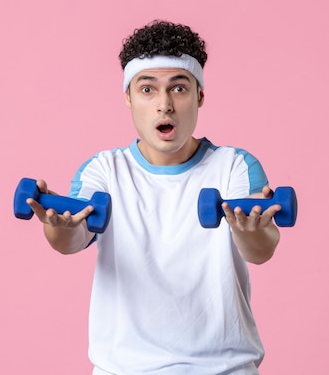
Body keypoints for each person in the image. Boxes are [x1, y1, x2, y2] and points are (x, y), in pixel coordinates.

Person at [26, 20, 281, 375]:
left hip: (224, 368)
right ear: (128, 98)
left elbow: (261, 250)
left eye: (179, 88)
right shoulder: (104, 170)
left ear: (200, 96)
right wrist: (58, 224)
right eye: (147, 90)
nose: (164, 105)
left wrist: (251, 230)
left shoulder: (234, 167)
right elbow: (70, 240)